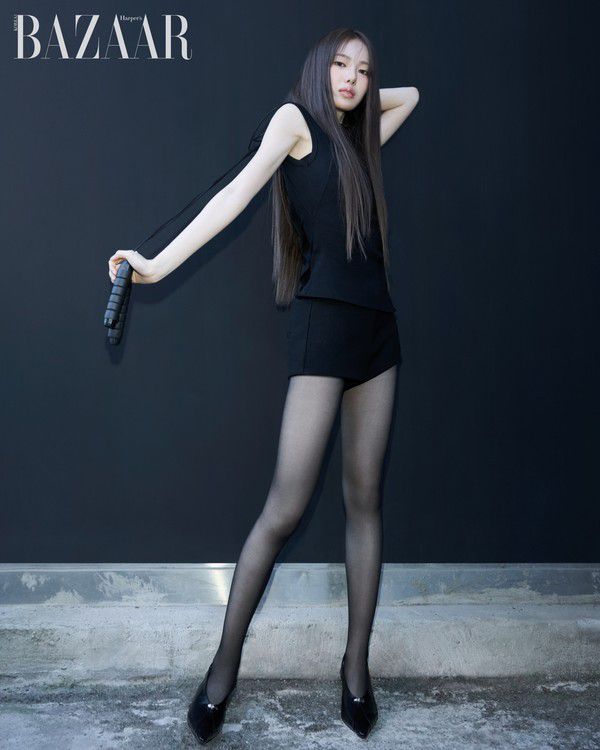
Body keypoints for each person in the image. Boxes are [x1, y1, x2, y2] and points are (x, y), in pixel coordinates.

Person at [108, 26, 419, 745]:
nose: (353, 78)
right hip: (323, 327)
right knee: (284, 508)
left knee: (365, 501)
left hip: (378, 331)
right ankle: (221, 674)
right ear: (317, 67)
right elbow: (232, 197)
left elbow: (409, 97)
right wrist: (153, 264)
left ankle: (356, 672)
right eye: (339, 64)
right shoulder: (294, 122)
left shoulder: (360, 139)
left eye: (362, 69)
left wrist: (363, 95)